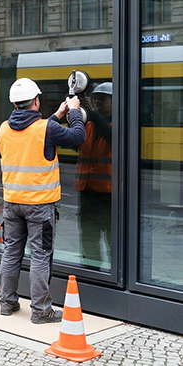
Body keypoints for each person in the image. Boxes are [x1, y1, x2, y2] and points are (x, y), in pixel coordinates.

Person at [0, 78, 85, 324]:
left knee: (11, 253)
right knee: (39, 256)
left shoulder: (4, 128)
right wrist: (74, 111)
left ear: (14, 104)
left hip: (12, 204)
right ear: (36, 101)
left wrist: (57, 114)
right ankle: (41, 310)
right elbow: (77, 136)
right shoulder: (46, 128)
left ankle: (7, 302)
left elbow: (33, 133)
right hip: (39, 206)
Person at [76, 82, 112, 268]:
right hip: (88, 192)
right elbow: (73, 143)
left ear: (114, 102)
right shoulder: (88, 125)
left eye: (102, 99)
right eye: (95, 99)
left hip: (110, 196)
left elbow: (112, 136)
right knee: (89, 238)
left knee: (112, 240)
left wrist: (94, 114)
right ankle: (92, 270)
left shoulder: (118, 125)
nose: (97, 102)